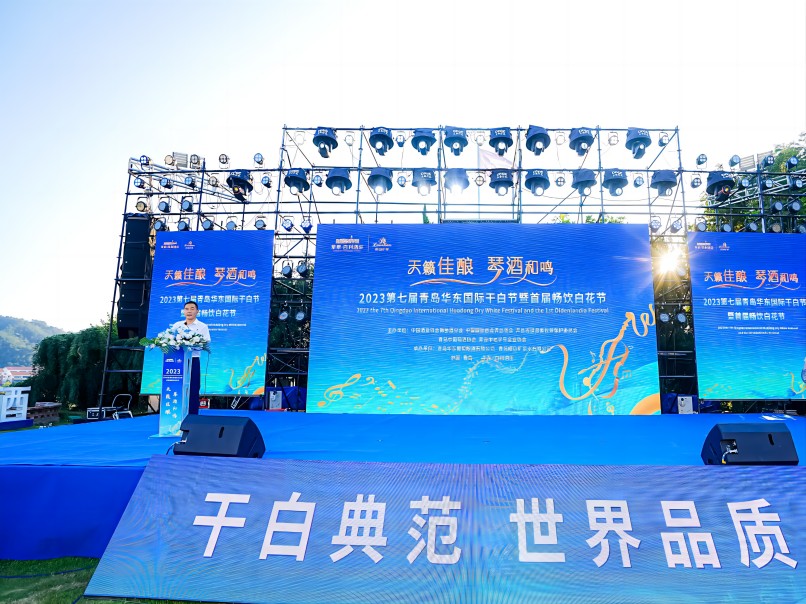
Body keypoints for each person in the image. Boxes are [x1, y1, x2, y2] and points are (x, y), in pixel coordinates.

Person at [172, 300, 211, 415]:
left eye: (192, 309)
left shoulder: (202, 326)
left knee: (193, 387)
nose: (189, 311)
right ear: (183, 311)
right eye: (187, 309)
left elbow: (206, 342)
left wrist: (193, 343)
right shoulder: (177, 325)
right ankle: (176, 413)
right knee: (176, 386)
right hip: (177, 361)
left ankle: (192, 415)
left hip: (193, 360)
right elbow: (170, 339)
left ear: (197, 311)